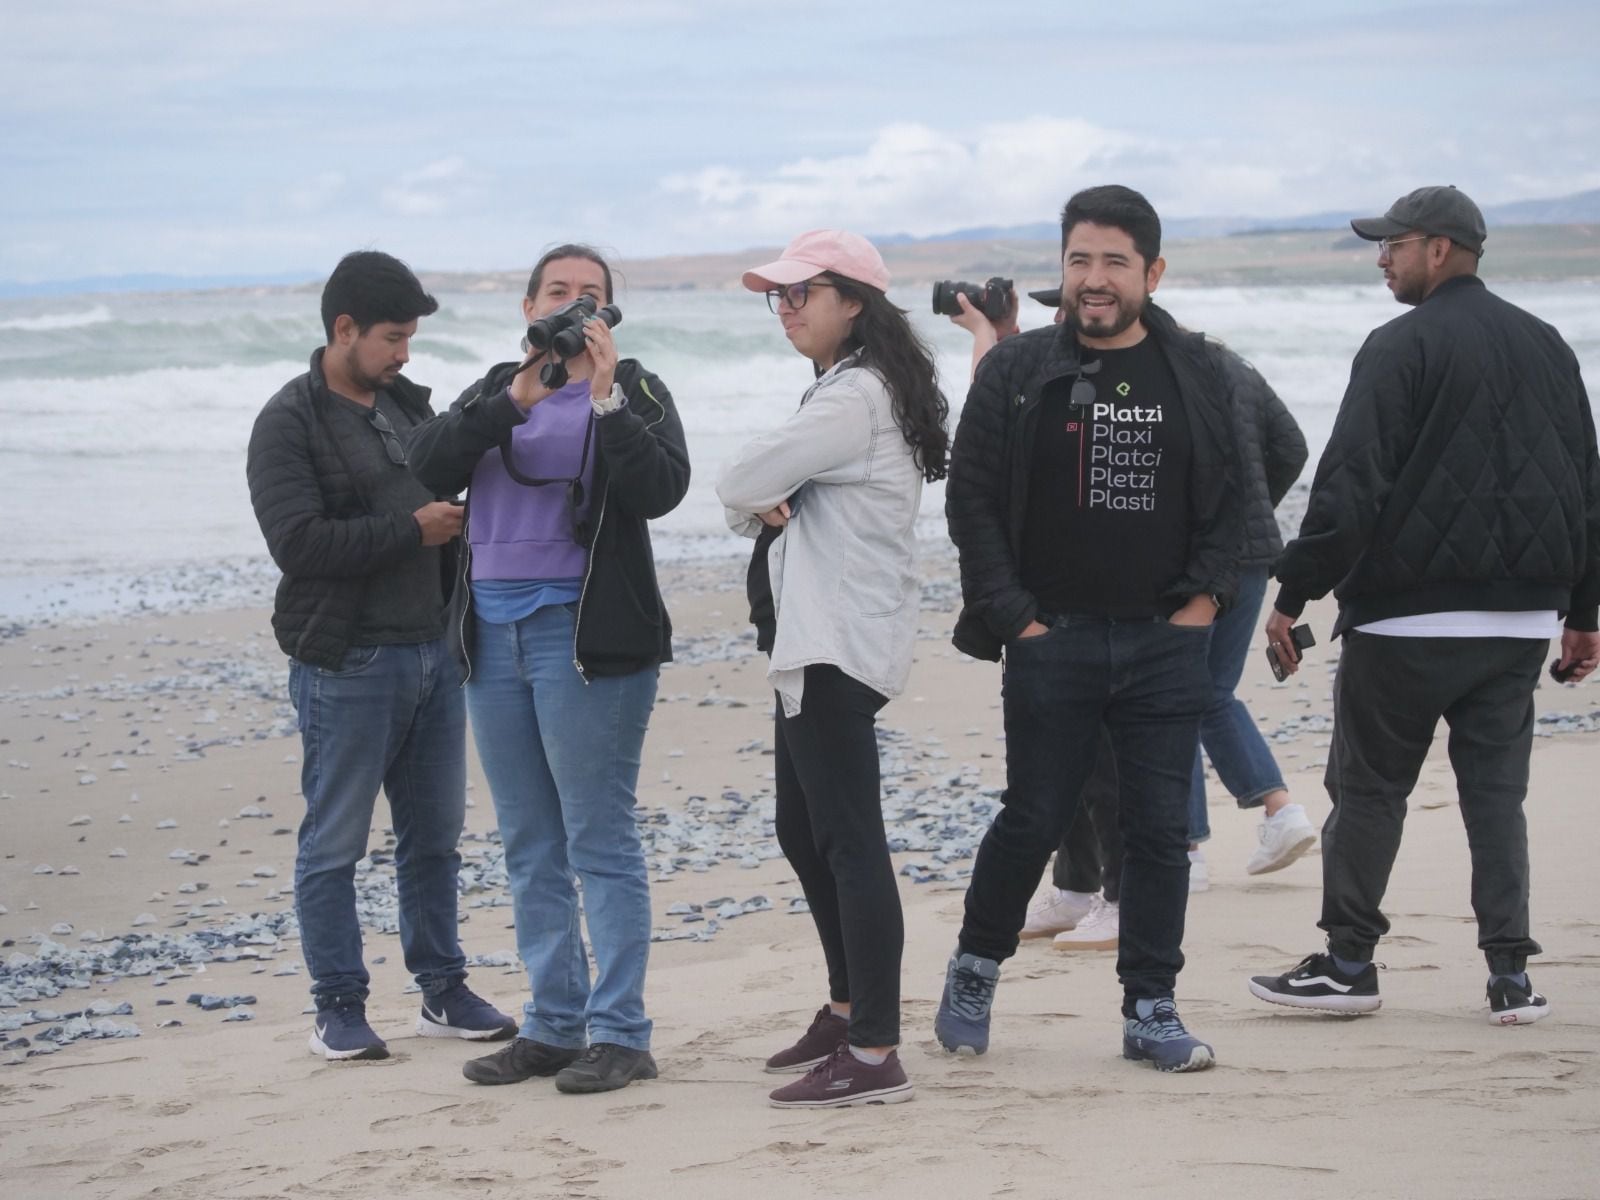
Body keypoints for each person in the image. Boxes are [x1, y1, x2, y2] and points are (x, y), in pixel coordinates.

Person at [1248, 186, 1600, 1025]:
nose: (1381, 258)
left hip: (1405, 620)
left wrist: (1293, 593)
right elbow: (1588, 486)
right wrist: (1584, 612)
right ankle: (1511, 977)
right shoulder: (1549, 345)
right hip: (1518, 622)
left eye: (1393, 244)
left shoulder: (1399, 347)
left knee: (1369, 790)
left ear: (1438, 249)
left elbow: (1350, 483)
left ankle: (1347, 965)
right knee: (1495, 797)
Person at [936, 185, 1244, 1073]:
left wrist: (1202, 604)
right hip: (1052, 637)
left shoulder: (1202, 371)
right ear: (1062, 268)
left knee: (1156, 833)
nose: (1094, 280)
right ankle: (975, 967)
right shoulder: (1017, 369)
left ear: (1152, 271)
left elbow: (1234, 499)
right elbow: (973, 501)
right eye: (1079, 261)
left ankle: (1151, 1006)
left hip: (1163, 640)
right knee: (1032, 818)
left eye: (1113, 262)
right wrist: (1015, 618)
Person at [406, 244, 690, 1092]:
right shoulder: (497, 385)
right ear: (528, 305)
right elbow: (424, 464)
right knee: (530, 842)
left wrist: (602, 399)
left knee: (598, 838)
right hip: (490, 637)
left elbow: (661, 490)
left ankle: (623, 1032)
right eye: (557, 292)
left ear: (610, 315)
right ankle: (555, 1023)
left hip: (585, 638)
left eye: (590, 296)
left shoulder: (635, 387)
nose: (573, 306)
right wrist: (514, 399)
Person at [246, 250, 516, 1061]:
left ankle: (441, 990)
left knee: (434, 838)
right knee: (334, 841)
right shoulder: (287, 420)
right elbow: (295, 543)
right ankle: (337, 1005)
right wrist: (413, 530)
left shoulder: (406, 405)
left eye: (410, 338)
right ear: (344, 329)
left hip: (435, 652)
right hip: (345, 662)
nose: (405, 353)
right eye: (394, 337)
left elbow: (444, 474)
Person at [717, 229, 949, 1108]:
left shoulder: (852, 398)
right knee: (801, 828)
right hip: (823, 639)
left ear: (852, 300)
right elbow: (757, 503)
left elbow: (740, 477)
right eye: (776, 296)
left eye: (799, 293)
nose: (785, 309)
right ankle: (848, 1009)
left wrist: (760, 497)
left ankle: (877, 1048)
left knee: (849, 841)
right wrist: (763, 502)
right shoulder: (848, 389)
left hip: (835, 642)